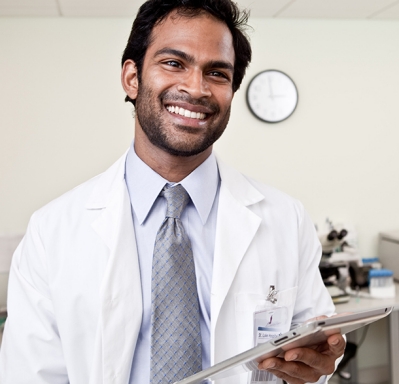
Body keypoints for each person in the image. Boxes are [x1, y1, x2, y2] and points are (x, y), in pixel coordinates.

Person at [0, 0, 345, 383]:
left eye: (216, 72)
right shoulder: (52, 231)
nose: (195, 88)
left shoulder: (285, 218)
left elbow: (311, 350)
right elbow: (30, 375)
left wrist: (315, 369)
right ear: (132, 78)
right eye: (173, 63)